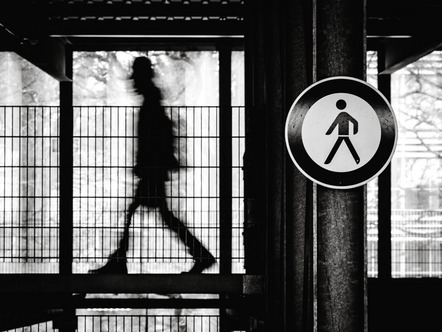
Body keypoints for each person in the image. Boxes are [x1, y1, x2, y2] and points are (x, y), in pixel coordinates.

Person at [90, 56, 215, 274]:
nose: (133, 83)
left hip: (152, 171)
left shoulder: (151, 101)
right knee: (160, 215)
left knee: (140, 213)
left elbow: (153, 136)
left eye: (135, 77)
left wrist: (147, 164)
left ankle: (119, 262)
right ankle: (200, 255)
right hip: (154, 169)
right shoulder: (153, 98)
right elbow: (161, 133)